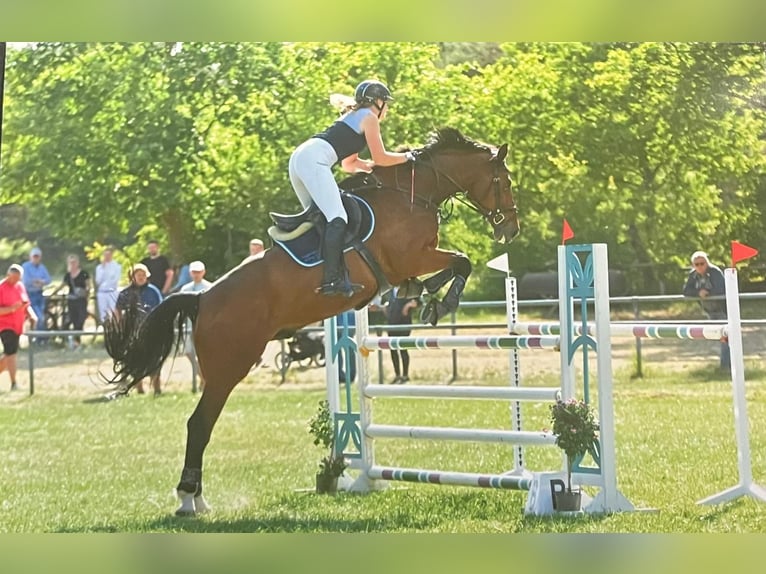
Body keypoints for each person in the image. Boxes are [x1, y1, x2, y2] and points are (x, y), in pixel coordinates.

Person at [289, 79, 415, 297]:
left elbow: (349, 164)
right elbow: (382, 157)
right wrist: (409, 156)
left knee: (319, 219)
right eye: (386, 102)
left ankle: (310, 269)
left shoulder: (353, 117)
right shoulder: (369, 118)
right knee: (338, 218)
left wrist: (370, 167)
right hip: (313, 161)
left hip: (299, 159)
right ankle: (331, 280)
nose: (388, 108)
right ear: (377, 102)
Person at [115, 263, 164, 395]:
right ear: (132, 277)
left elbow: (161, 308)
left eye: (143, 275)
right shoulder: (125, 293)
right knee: (134, 361)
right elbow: (118, 311)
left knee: (155, 360)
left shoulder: (153, 291)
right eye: (138, 275)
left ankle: (157, 388)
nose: (141, 278)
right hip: (132, 332)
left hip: (151, 330)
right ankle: (139, 388)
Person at [683, 250, 730, 370]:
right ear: (693, 265)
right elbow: (686, 291)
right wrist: (698, 293)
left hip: (723, 310)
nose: (699, 266)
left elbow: (721, 289)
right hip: (709, 311)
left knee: (726, 338)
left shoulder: (715, 272)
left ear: (707, 263)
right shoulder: (693, 275)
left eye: (702, 263)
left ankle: (726, 366)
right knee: (718, 337)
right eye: (696, 264)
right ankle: (724, 365)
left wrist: (707, 293)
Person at [0, 264, 37, 391]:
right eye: (13, 278)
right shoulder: (1, 288)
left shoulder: (20, 286)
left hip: (18, 325)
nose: (15, 281)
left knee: (9, 354)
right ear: (8, 275)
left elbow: (25, 304)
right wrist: (12, 309)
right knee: (11, 354)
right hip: (5, 325)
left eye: (18, 279)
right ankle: (14, 383)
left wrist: (32, 315)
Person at [180, 260, 212, 390]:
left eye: (198, 272)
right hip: (189, 325)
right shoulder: (185, 289)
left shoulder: (210, 287)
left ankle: (205, 380)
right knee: (188, 352)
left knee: (205, 354)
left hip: (205, 326)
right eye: (194, 272)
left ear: (203, 272)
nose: (196, 274)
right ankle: (204, 378)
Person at [384, 287, 420, 384]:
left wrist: (408, 305)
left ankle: (405, 375)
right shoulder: (390, 291)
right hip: (392, 323)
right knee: (393, 350)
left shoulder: (409, 289)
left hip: (404, 324)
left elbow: (418, 302)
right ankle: (397, 375)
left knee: (403, 348)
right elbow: (387, 304)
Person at [60, 254, 91, 350]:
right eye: (70, 262)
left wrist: (87, 294)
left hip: (81, 300)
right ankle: (75, 343)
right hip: (71, 300)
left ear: (78, 263)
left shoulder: (84, 273)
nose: (72, 264)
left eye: (74, 262)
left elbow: (88, 286)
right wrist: (53, 293)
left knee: (80, 320)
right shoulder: (68, 275)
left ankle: (77, 341)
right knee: (73, 320)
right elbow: (62, 285)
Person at [21, 247, 51, 340]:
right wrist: (38, 281)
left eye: (37, 257)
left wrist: (40, 281)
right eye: (34, 256)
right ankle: (39, 339)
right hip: (29, 294)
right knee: (37, 317)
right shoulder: (25, 266)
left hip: (39, 294)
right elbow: (26, 281)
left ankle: (40, 339)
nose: (36, 258)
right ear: (31, 257)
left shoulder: (42, 267)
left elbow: (48, 280)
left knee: (41, 316)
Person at [94, 247, 122, 323]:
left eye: (108, 255)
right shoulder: (99, 268)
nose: (107, 256)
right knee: (103, 313)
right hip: (102, 292)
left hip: (112, 291)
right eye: (105, 255)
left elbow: (115, 280)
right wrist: (103, 268)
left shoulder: (117, 267)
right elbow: (98, 280)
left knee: (113, 311)